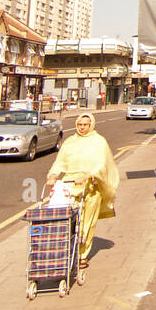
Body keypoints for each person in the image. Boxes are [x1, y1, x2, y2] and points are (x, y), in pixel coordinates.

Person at [44, 112, 119, 273]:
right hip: (70, 186)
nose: (82, 127)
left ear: (91, 125)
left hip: (91, 187)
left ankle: (82, 255)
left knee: (87, 222)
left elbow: (102, 164)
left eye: (85, 124)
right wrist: (53, 176)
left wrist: (88, 175)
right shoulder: (70, 142)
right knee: (68, 220)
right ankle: (68, 251)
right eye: (80, 124)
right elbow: (59, 162)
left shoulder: (99, 141)